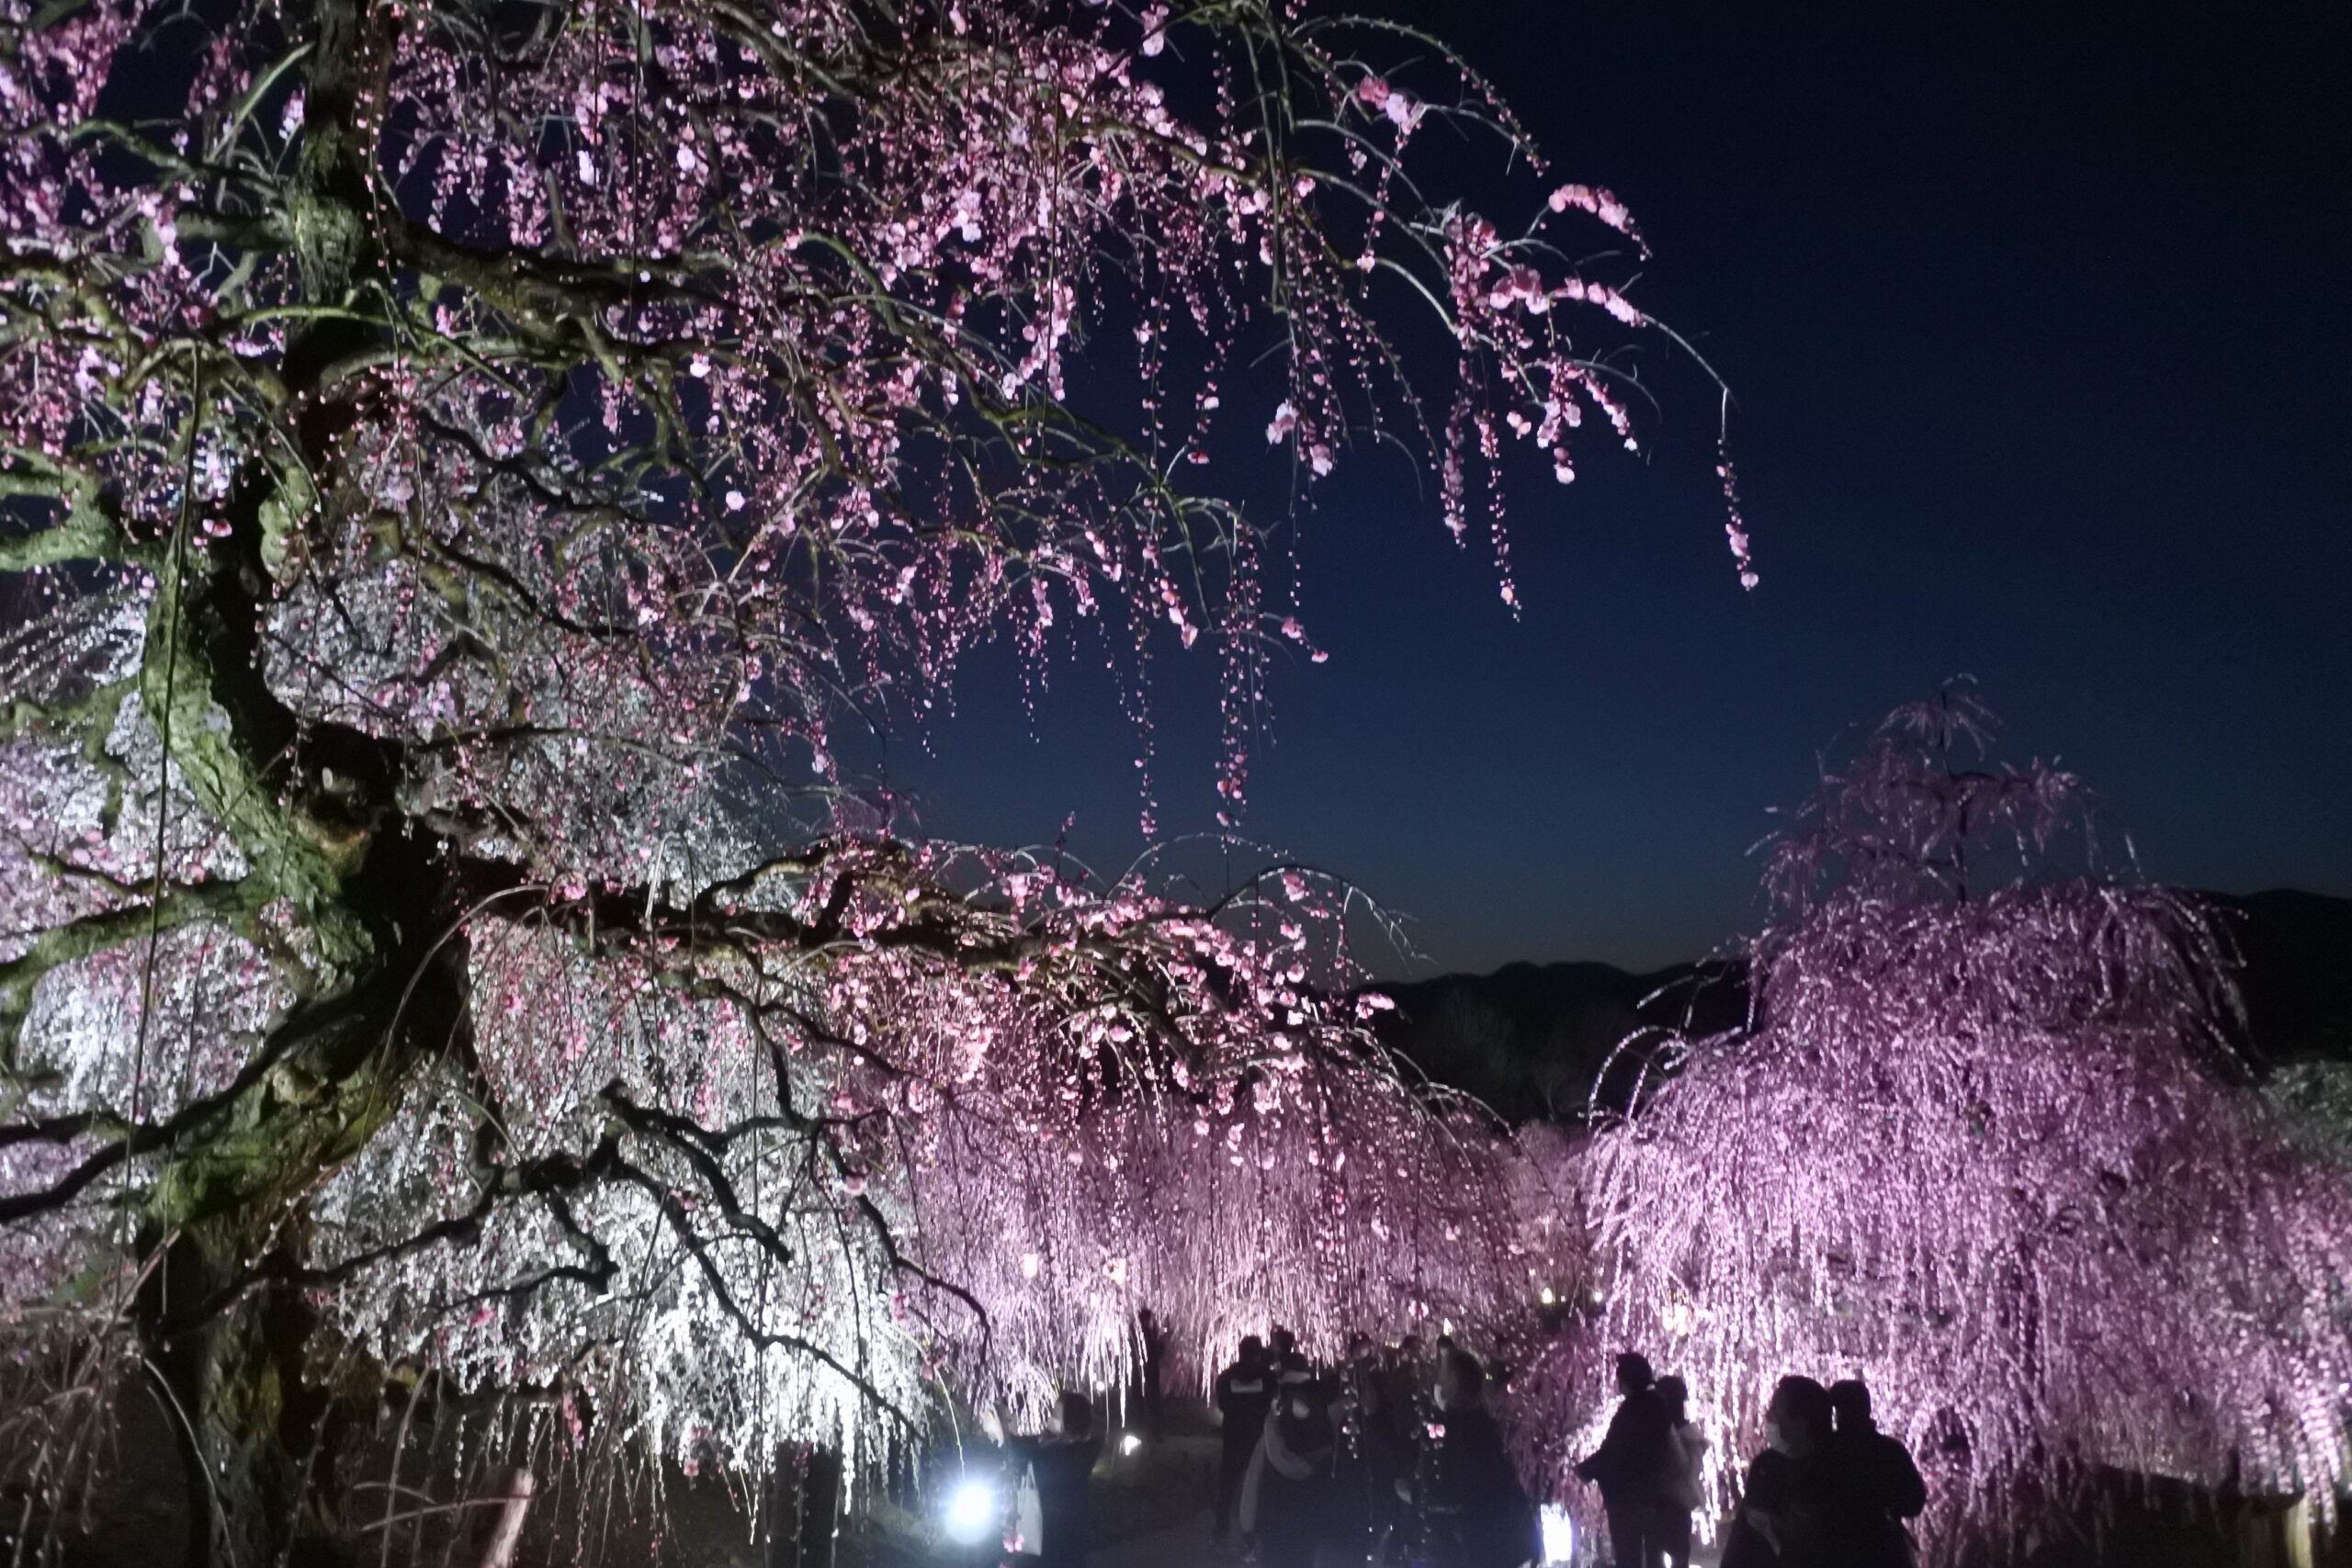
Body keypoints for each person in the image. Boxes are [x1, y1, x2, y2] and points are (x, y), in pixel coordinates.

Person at [1419, 1348, 1540, 1568]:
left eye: (1445, 1376)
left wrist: (1426, 1494)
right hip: (1493, 1534)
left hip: (1479, 1535)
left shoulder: (1463, 1427)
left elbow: (1461, 1482)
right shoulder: (1481, 1422)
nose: (1439, 1381)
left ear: (1455, 1382)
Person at [1721, 1376, 1834, 1568]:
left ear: (1801, 1420)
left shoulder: (1830, 1472)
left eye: (1775, 1410)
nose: (1767, 1418)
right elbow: (1742, 1534)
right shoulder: (1765, 1465)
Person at [1575, 1352, 1673, 1568]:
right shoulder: (1657, 1406)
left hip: (1627, 1497)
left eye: (1620, 1377)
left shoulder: (1632, 1410)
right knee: (1653, 1555)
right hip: (1651, 1493)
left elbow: (1615, 1451)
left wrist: (1585, 1470)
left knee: (1629, 1556)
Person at [1826, 1380, 1925, 1568]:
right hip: (1884, 1547)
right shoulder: (1891, 1450)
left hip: (1837, 1548)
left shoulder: (1826, 1451)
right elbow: (1914, 1502)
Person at [1253, 1354, 1337, 1568]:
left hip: (1278, 1499)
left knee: (1278, 1551)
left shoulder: (1279, 1401)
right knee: (1304, 1550)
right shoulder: (1319, 1397)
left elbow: (1265, 1460)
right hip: (1311, 1495)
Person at [1007, 1391, 1105, 1568]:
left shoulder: (1075, 1456)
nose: (1050, 1418)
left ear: (1070, 1422)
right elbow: (1029, 1447)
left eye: (1055, 1415)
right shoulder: (1053, 1443)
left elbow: (1042, 1466)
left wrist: (1007, 1438)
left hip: (1059, 1541)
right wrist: (1009, 1434)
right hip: (1047, 1537)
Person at [1214, 1336, 1274, 1551]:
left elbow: (1222, 1404)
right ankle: (1251, 1538)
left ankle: (1221, 1535)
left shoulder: (1226, 1378)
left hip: (1233, 1438)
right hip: (1258, 1441)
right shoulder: (1268, 1378)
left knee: (1227, 1489)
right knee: (1255, 1490)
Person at [1650, 1376, 1709, 1568]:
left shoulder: (1677, 1434)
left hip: (1668, 1504)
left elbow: (1682, 1467)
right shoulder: (1690, 1435)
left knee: (1665, 1554)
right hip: (1677, 1504)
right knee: (1677, 1554)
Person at [1136, 1308, 1169, 1444]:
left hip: (1139, 1373)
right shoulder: (1147, 1333)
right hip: (1150, 1372)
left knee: (1141, 1403)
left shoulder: (1135, 1333)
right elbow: (1154, 1353)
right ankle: (1154, 1433)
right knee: (1153, 1404)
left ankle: (1143, 1432)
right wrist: (1161, 1344)